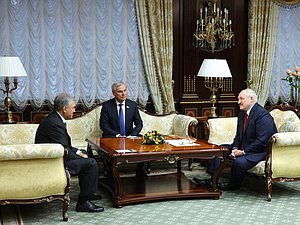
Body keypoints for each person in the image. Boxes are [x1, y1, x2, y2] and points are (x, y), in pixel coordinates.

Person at [194, 88, 277, 190]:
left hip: (260, 151)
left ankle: (233, 185)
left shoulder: (262, 115)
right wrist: (235, 148)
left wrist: (243, 152)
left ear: (251, 99)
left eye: (241, 99)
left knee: (239, 162)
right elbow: (238, 135)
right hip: (244, 147)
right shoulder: (242, 113)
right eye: (238, 99)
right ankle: (213, 180)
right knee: (220, 150)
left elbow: (263, 141)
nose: (238, 102)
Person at [35, 93, 104, 213]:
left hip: (57, 158)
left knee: (86, 154)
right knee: (91, 163)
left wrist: (79, 152)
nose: (75, 110)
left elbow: (65, 145)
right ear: (64, 109)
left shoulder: (55, 118)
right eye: (73, 107)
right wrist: (79, 156)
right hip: (54, 164)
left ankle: (88, 192)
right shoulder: (54, 123)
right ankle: (83, 203)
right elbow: (64, 150)